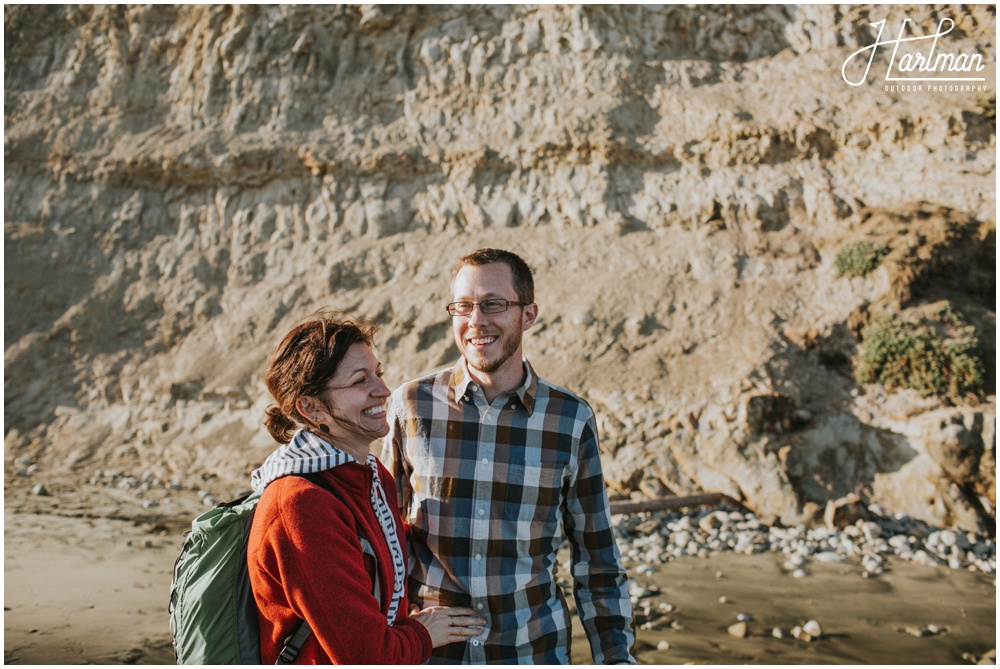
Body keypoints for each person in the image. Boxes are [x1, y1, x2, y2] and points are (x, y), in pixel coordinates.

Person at [380, 249, 636, 664]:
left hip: (531, 651)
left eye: (493, 304)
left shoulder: (570, 418)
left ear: (529, 315)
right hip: (432, 655)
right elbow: (379, 542)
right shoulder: (410, 405)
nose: (476, 321)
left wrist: (616, 658)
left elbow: (598, 561)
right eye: (463, 306)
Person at [248, 311, 486, 664]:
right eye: (360, 381)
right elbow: (365, 656)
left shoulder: (371, 475)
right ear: (311, 407)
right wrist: (424, 632)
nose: (383, 391)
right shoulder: (300, 506)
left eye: (378, 373)